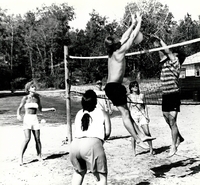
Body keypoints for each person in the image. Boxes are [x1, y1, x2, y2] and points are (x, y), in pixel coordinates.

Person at [104, 12, 155, 149]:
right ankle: (137, 139)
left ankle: (141, 136)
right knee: (125, 114)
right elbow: (131, 37)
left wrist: (132, 23)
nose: (118, 39)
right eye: (116, 40)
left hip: (113, 87)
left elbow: (124, 36)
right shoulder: (119, 52)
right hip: (114, 87)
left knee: (127, 113)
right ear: (115, 44)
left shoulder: (112, 51)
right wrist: (139, 22)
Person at [152, 36, 185, 157]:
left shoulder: (175, 63)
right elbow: (162, 53)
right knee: (166, 118)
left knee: (172, 120)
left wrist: (160, 40)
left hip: (173, 94)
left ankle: (173, 145)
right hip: (165, 95)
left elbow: (167, 51)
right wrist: (156, 44)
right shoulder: (165, 64)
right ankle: (179, 137)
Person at [70, 89, 111, 185]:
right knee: (101, 178)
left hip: (75, 145)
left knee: (78, 173)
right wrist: (99, 141)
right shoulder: (102, 113)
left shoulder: (79, 113)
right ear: (96, 101)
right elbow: (108, 132)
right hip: (92, 144)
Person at [17, 81, 56, 165]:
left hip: (35, 119)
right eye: (32, 87)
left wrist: (50, 108)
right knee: (27, 138)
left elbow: (41, 109)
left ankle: (39, 156)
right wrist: (18, 115)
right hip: (27, 119)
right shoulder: (25, 98)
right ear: (28, 89)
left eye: (34, 87)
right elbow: (19, 108)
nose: (34, 88)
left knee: (37, 139)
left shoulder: (37, 98)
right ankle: (20, 157)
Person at [128, 81, 154, 156]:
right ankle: (133, 151)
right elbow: (128, 108)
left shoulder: (142, 95)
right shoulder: (129, 96)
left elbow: (145, 106)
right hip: (134, 115)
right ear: (131, 88)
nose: (135, 87)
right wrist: (129, 118)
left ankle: (151, 149)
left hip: (142, 114)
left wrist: (147, 115)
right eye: (133, 86)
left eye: (136, 85)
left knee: (147, 132)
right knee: (133, 134)